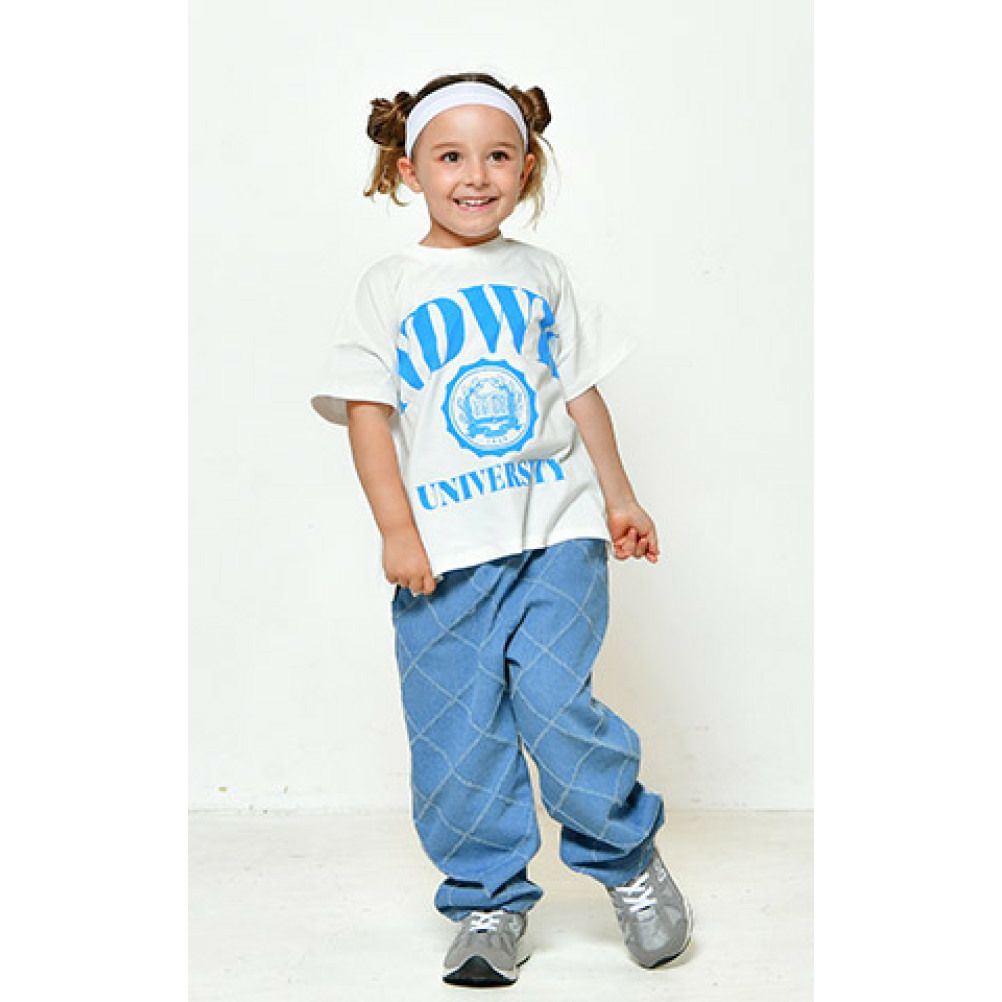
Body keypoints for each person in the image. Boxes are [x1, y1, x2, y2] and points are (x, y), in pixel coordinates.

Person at [311, 71, 693, 987]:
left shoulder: (542, 275)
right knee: (459, 734)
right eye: (450, 157)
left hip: (558, 532)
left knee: (557, 706)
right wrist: (398, 532)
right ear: (409, 171)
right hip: (444, 555)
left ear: (527, 169)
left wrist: (620, 497)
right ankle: (486, 902)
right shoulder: (388, 286)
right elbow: (367, 413)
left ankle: (629, 862)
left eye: (497, 156)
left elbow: (582, 393)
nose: (474, 176)